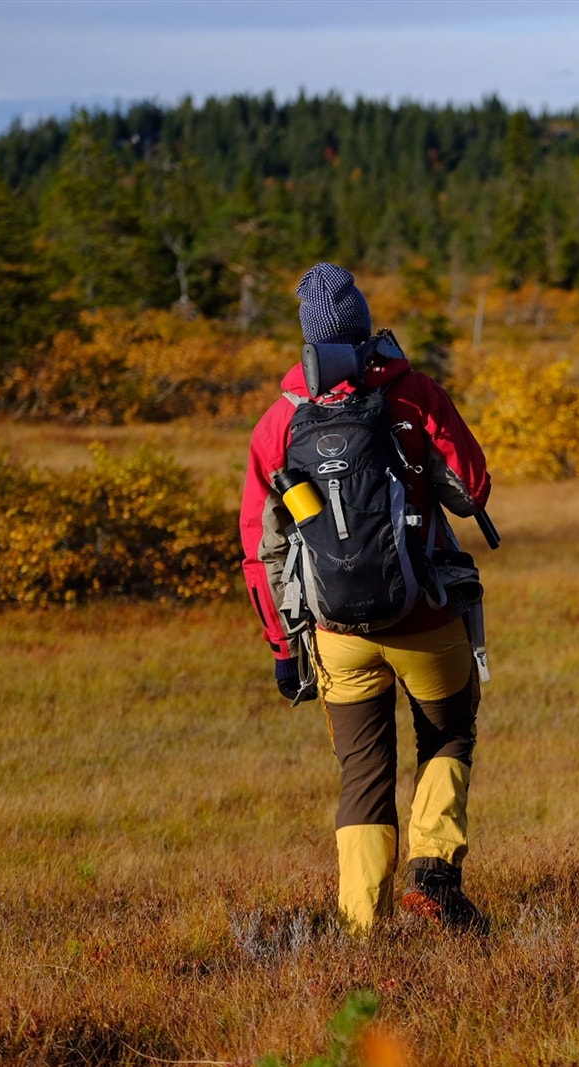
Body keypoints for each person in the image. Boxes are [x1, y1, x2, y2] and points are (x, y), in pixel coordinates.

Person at [240, 263, 492, 934]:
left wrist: (281, 647)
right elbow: (473, 487)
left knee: (362, 774)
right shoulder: (413, 394)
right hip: (427, 619)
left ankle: (362, 929)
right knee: (448, 732)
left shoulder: (277, 424)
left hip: (335, 632)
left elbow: (259, 548)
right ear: (364, 327)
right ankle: (434, 878)